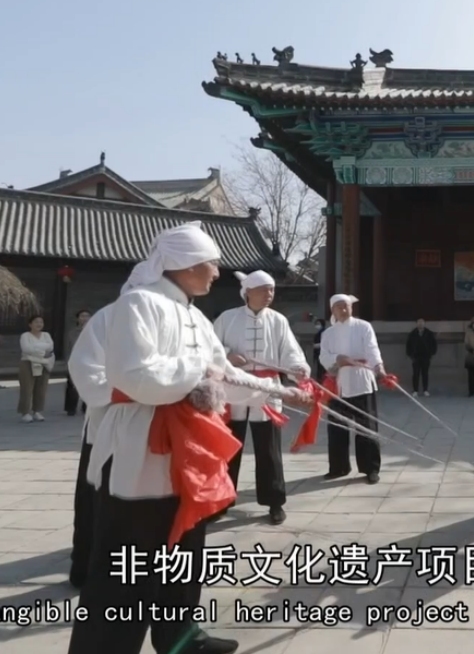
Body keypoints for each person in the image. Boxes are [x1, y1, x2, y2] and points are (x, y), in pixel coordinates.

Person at [69, 221, 311, 654]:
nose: (218, 273)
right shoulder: (138, 305)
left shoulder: (197, 316)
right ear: (183, 264)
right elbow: (137, 377)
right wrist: (197, 376)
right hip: (145, 451)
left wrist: (280, 389)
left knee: (185, 554)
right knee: (129, 564)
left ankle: (181, 639)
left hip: (191, 453)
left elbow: (226, 375)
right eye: (211, 264)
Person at [212, 270, 309, 524]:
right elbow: (209, 349)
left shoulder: (278, 321)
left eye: (272, 290)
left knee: (269, 450)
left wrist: (298, 370)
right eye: (264, 289)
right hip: (233, 390)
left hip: (267, 391)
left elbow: (291, 352)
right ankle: (221, 499)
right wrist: (227, 356)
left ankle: (274, 501)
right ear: (249, 292)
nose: (270, 294)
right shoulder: (227, 318)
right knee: (228, 450)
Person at [66, 305, 111, 589]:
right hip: (103, 426)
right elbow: (83, 369)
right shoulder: (107, 321)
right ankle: (84, 565)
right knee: (92, 497)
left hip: (146, 432)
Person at [319, 294, 386, 484]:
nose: (343, 309)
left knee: (367, 426)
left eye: (346, 306)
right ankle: (339, 466)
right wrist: (337, 359)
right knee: (337, 427)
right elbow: (324, 356)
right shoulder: (328, 333)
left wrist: (379, 367)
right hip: (338, 383)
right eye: (339, 306)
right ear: (332, 310)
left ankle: (370, 468)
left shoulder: (363, 326)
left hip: (362, 380)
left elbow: (372, 349)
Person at [18, 315, 55, 423]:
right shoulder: (25, 336)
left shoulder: (46, 335)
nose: (39, 324)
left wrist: (36, 349)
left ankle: (37, 411)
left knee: (41, 388)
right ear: (30, 324)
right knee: (27, 388)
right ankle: (25, 412)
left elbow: (50, 347)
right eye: (36, 322)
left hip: (44, 364)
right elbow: (26, 349)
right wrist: (42, 350)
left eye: (41, 322)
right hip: (28, 363)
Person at [65, 309, 92, 415]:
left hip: (90, 362)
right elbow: (69, 348)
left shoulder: (95, 331)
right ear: (78, 319)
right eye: (82, 316)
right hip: (75, 361)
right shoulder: (72, 333)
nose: (85, 318)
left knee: (89, 384)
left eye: (87, 316)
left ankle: (86, 407)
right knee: (72, 386)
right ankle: (70, 408)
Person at [406, 318, 437, 396]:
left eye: (422, 323)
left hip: (426, 356)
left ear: (424, 324)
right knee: (415, 374)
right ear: (416, 324)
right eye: (419, 323)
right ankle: (415, 390)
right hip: (416, 356)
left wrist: (431, 353)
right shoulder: (412, 333)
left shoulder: (429, 333)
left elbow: (434, 344)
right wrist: (410, 354)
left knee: (425, 373)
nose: (420, 324)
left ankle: (425, 389)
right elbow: (408, 345)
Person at [311, 317, 327, 383]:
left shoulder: (324, 332)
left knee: (321, 370)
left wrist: (316, 345)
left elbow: (325, 343)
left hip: (321, 354)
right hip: (318, 354)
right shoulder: (319, 333)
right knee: (319, 370)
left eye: (318, 324)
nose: (317, 325)